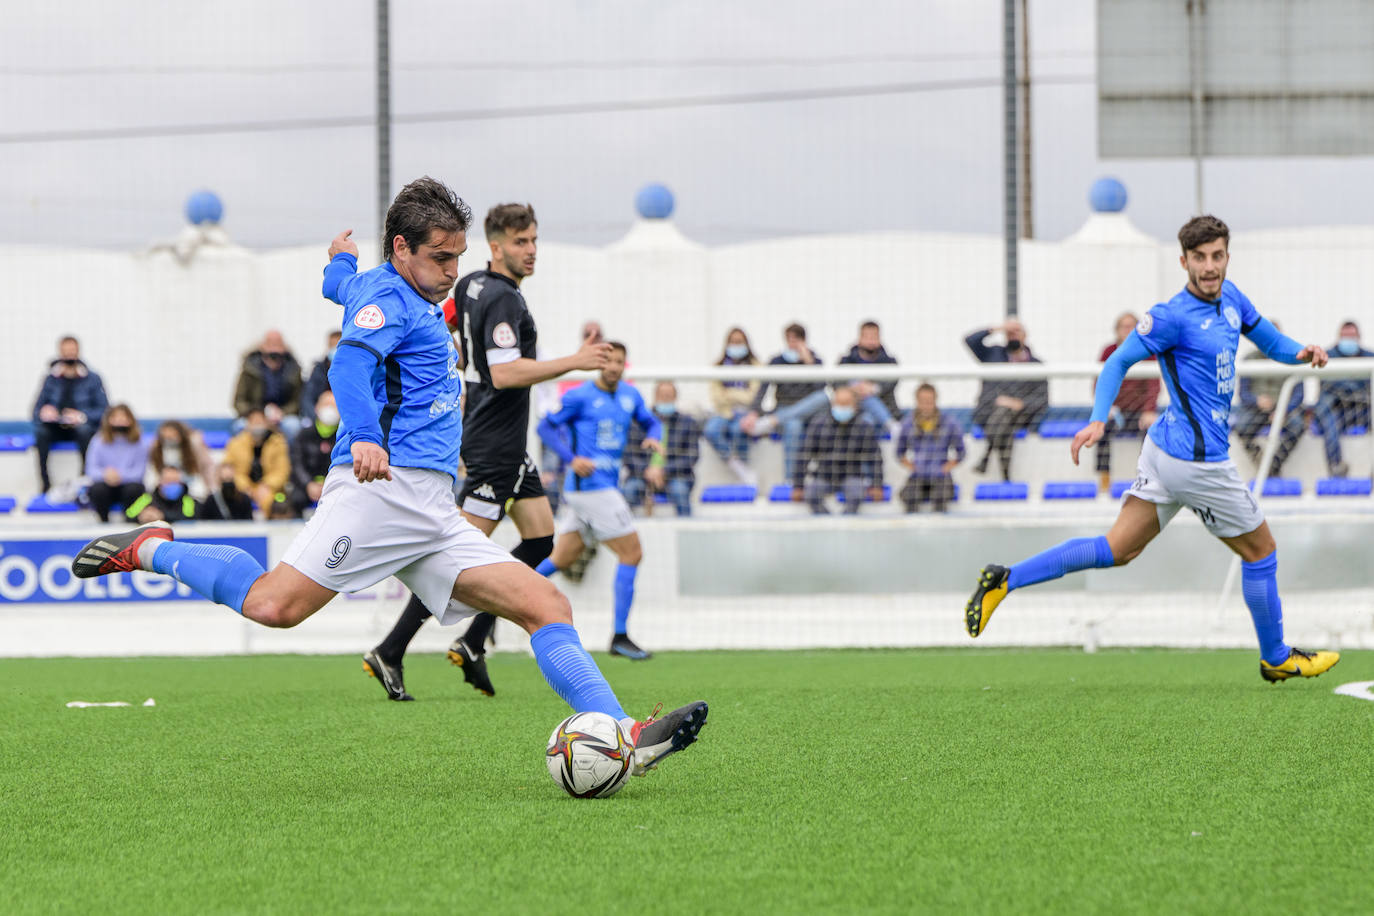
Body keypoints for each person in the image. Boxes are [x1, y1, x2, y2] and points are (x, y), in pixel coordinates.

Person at [71, 176, 706, 775]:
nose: (452, 271)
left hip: (430, 505)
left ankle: (622, 733)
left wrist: (337, 263)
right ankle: (153, 547)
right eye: (440, 257)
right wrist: (368, 435)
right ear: (402, 249)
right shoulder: (389, 298)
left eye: (458, 256)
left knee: (544, 602)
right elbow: (348, 369)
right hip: (377, 491)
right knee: (273, 605)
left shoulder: (387, 284)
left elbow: (342, 288)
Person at [965, 214, 1339, 683]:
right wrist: (1098, 419)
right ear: (1183, 261)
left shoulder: (1233, 299)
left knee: (1117, 549)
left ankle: (1005, 578)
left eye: (1217, 256)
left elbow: (1270, 342)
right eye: (1199, 258)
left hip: (1164, 451)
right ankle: (1276, 656)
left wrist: (1302, 352)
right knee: (1261, 552)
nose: (1209, 266)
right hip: (1196, 463)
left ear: (1226, 256)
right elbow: (1118, 360)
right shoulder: (1170, 316)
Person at [359, 201, 612, 701]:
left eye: (535, 240)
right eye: (521, 242)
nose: (531, 251)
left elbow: (445, 320)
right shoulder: (504, 301)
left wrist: (453, 354)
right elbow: (505, 372)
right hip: (493, 441)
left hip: (508, 442)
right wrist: (577, 361)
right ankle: (391, 648)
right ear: (497, 247)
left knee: (541, 541)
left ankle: (474, 640)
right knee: (452, 557)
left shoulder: (471, 282)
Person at [537, 342, 662, 659]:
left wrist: (654, 438)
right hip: (591, 488)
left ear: (624, 365)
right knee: (632, 553)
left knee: (562, 558)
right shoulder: (579, 395)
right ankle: (620, 636)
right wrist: (570, 458)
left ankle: (496, 608)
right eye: (608, 361)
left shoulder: (629, 395)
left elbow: (652, 422)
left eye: (619, 362)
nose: (613, 367)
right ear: (598, 364)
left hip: (600, 489)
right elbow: (545, 428)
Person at [740, 324, 829, 484]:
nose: (793, 344)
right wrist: (754, 412)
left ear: (804, 341)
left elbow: (821, 389)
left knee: (823, 397)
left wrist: (810, 364)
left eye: (797, 340)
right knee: (793, 425)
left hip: (808, 414)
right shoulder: (777, 361)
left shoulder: (816, 361)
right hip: (785, 410)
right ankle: (791, 480)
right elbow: (763, 388)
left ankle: (772, 421)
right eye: (790, 340)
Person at [965, 321, 1049, 481]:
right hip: (989, 414)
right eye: (1009, 333)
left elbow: (1042, 399)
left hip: (1020, 416)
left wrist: (1020, 404)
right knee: (1004, 419)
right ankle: (1005, 475)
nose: (1013, 335)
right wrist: (999, 328)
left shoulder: (1037, 365)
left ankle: (987, 456)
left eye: (1017, 331)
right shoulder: (992, 355)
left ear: (1025, 335)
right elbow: (970, 340)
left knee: (1005, 415)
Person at [33, 336, 108, 495]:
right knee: (41, 433)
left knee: (85, 431)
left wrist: (81, 416)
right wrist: (45, 413)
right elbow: (35, 411)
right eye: (65, 351)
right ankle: (45, 483)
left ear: (78, 352)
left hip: (81, 428)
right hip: (56, 427)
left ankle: (84, 480)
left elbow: (104, 411)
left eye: (71, 351)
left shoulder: (93, 378)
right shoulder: (50, 379)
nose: (68, 355)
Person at [791, 386, 883, 515]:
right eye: (838, 403)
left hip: (852, 476)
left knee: (856, 496)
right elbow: (804, 455)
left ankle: (846, 524)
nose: (842, 407)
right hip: (823, 476)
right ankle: (825, 522)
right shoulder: (818, 424)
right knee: (811, 495)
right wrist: (798, 486)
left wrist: (877, 485)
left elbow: (875, 457)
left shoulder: (864, 427)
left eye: (846, 404)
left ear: (854, 405)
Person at [1094, 313, 1160, 492]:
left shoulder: (1147, 351)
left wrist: (1149, 410)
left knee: (1152, 433)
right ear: (1117, 330)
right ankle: (1104, 481)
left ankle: (1146, 480)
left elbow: (1154, 385)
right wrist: (1104, 408)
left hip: (1140, 412)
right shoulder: (1108, 351)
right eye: (1124, 326)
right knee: (1100, 429)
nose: (1128, 330)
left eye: (1132, 326)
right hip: (1116, 411)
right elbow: (1098, 381)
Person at [623, 381, 700, 517]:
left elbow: (692, 456)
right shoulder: (638, 423)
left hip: (677, 476)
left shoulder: (687, 423)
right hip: (642, 476)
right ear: (655, 396)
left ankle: (687, 530)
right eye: (662, 395)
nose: (665, 398)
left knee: (680, 491)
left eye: (669, 395)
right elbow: (628, 454)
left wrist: (664, 471)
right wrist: (647, 471)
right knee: (629, 490)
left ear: (675, 397)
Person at [1310, 321, 1372, 478]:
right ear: (1339, 337)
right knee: (1325, 412)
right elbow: (1327, 385)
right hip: (1336, 410)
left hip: (1362, 410)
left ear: (1359, 337)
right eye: (1345, 336)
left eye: (1352, 336)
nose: (1349, 339)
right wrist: (1355, 388)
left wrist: (1344, 387)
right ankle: (1336, 466)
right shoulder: (1326, 356)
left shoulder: (1370, 357)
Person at [1233, 342, 1305, 478]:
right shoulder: (1249, 360)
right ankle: (1261, 459)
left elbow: (1299, 394)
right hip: (1257, 409)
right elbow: (1243, 393)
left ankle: (1273, 464)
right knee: (1241, 427)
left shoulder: (1292, 359)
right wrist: (1257, 401)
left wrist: (1285, 409)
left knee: (1298, 426)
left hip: (1284, 410)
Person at [704, 327, 760, 485]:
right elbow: (716, 397)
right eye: (733, 342)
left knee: (738, 429)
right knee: (711, 429)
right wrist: (739, 394)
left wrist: (729, 393)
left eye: (739, 342)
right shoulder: (718, 365)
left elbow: (752, 396)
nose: (736, 346)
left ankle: (746, 470)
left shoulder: (755, 366)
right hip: (723, 412)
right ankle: (739, 467)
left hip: (745, 413)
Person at [896, 383, 964, 513]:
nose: (926, 405)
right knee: (909, 497)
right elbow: (899, 452)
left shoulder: (949, 423)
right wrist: (911, 466)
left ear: (935, 400)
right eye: (922, 401)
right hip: (918, 476)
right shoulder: (908, 424)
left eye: (929, 401)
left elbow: (961, 452)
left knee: (941, 497)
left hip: (941, 476)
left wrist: (947, 466)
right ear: (916, 401)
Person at [233, 330, 303, 438]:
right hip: (254, 414)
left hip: (283, 416)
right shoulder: (249, 370)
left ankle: (292, 455)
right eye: (270, 344)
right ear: (262, 346)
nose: (274, 349)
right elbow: (239, 401)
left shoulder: (293, 371)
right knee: (240, 426)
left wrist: (282, 412)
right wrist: (256, 414)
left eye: (278, 344)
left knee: (294, 426)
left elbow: (298, 400)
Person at [84, 404, 148, 523]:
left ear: (131, 420)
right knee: (97, 489)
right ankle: (103, 521)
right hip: (105, 485)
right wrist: (106, 475)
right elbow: (91, 469)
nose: (120, 421)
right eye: (115, 418)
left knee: (134, 489)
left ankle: (130, 521)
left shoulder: (140, 442)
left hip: (128, 485)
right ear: (108, 420)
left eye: (123, 417)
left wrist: (120, 476)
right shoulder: (97, 440)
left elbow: (139, 472)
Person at [224, 407, 291, 519]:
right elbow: (230, 470)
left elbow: (282, 471)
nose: (257, 425)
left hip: (269, 489)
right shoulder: (236, 443)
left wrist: (266, 486)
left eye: (260, 422)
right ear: (247, 424)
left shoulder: (278, 443)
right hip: (242, 490)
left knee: (275, 501)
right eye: (254, 422)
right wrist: (247, 488)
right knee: (236, 499)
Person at [838, 320, 901, 429]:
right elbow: (836, 384)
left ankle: (889, 423)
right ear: (860, 338)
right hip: (854, 409)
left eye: (874, 337)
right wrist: (854, 389)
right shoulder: (845, 362)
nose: (871, 341)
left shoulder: (890, 363)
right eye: (867, 337)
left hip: (885, 408)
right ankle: (891, 425)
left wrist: (874, 388)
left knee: (867, 418)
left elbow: (890, 383)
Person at [289, 390, 340, 516]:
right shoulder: (303, 434)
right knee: (295, 499)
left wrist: (328, 485)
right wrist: (308, 484)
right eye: (326, 405)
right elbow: (297, 463)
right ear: (317, 407)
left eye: (334, 406)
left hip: (334, 485)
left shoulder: (344, 436)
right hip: (306, 485)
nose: (330, 410)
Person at [149, 420, 215, 499]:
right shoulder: (158, 449)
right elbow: (155, 471)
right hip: (165, 485)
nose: (169, 440)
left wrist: (212, 487)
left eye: (172, 436)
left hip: (191, 483)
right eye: (166, 438)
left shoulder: (193, 446)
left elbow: (207, 467)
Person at [126, 466, 199, 524]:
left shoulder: (188, 500)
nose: (171, 484)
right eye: (168, 480)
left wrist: (162, 516)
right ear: (160, 482)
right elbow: (129, 515)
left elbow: (190, 518)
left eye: (175, 481)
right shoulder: (146, 498)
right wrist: (141, 517)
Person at [300, 330, 341, 422]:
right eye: (331, 345)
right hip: (319, 416)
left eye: (338, 346)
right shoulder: (318, 369)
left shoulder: (352, 371)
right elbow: (307, 398)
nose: (334, 349)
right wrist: (316, 418)